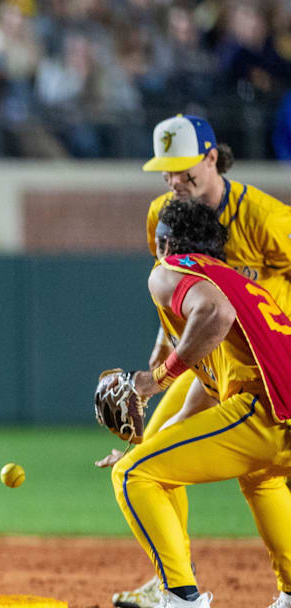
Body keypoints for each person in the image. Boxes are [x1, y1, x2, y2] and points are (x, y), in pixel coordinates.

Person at [103, 113, 291, 608]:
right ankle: (173, 574)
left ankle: (181, 594)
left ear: (212, 157)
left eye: (184, 170)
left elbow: (210, 307)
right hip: (230, 365)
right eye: (166, 172)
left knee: (137, 473)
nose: (175, 182)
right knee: (180, 450)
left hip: (263, 376)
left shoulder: (265, 218)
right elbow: (189, 307)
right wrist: (164, 354)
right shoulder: (165, 215)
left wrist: (155, 378)